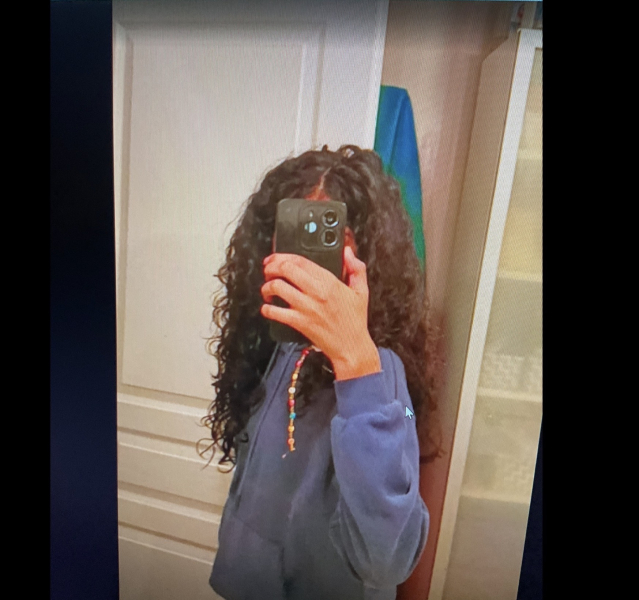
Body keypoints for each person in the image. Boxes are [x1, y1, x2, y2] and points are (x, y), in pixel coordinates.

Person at [201, 145, 439, 600]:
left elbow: (387, 559)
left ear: (367, 255)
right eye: (295, 235)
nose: (309, 262)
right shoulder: (279, 345)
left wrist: (355, 363)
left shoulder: (381, 372)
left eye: (332, 239)